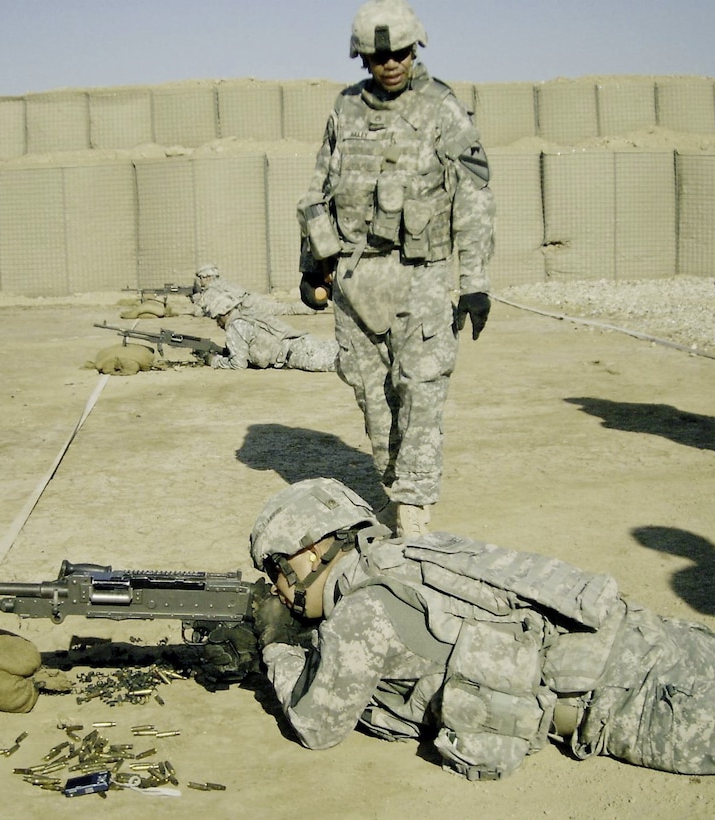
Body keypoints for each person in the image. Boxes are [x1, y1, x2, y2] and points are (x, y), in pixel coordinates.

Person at [243, 477, 715, 781]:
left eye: (276, 570)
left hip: (618, 703)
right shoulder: (412, 553)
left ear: (313, 550)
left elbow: (319, 726)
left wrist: (276, 648)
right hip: (631, 631)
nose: (278, 589)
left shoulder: (360, 615)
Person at [296, 0, 495, 536]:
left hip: (422, 277)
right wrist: (312, 267)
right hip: (356, 279)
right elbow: (319, 189)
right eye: (379, 56)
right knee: (373, 398)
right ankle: (396, 484)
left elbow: (474, 197)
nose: (391, 65)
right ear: (362, 58)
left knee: (421, 388)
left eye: (401, 54)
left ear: (416, 51)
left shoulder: (442, 109)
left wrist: (474, 283)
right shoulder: (345, 110)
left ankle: (414, 508)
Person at [197, 285, 339, 373]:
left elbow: (238, 363)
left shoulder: (236, 326)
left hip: (300, 355)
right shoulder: (247, 314)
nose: (218, 324)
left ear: (224, 312)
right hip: (303, 343)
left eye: (217, 318)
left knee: (347, 366)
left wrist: (212, 360)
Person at [192, 264, 319, 317]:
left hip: (247, 305)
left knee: (284, 310)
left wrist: (196, 300)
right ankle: (311, 306)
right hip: (250, 298)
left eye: (201, 278)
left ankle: (311, 307)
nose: (200, 281)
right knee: (282, 307)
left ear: (207, 277)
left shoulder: (211, 291)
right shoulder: (222, 282)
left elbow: (199, 312)